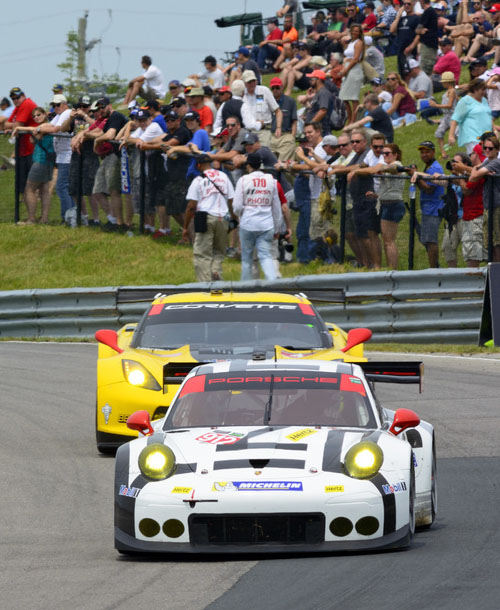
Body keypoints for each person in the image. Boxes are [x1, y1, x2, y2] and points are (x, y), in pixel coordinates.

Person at [184, 154, 236, 281]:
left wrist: (185, 226)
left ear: (198, 165)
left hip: (205, 218)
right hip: (223, 218)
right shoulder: (223, 177)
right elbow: (231, 200)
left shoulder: (198, 180)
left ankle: (205, 284)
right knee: (219, 251)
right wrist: (234, 217)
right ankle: (215, 271)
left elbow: (191, 206)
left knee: (202, 254)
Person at [233, 152, 282, 281]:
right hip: (266, 223)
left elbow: (237, 206)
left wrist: (241, 217)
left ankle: (246, 287)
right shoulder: (271, 180)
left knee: (247, 258)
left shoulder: (243, 180)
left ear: (248, 165)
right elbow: (276, 207)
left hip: (248, 223)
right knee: (266, 256)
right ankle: (272, 284)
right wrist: (277, 228)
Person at [92, 98, 131, 232]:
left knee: (115, 191)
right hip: (111, 156)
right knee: (99, 190)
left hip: (120, 156)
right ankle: (114, 220)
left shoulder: (116, 116)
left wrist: (97, 140)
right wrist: (84, 135)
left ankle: (120, 224)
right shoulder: (109, 119)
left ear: (110, 106)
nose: (100, 110)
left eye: (102, 107)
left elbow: (110, 135)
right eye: (98, 109)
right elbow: (103, 133)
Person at [346, 129, 382, 268]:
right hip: (358, 200)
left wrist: (354, 171)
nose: (354, 144)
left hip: (369, 199)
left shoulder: (368, 154)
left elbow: (372, 169)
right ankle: (366, 265)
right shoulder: (358, 157)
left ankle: (375, 265)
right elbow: (356, 166)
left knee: (369, 235)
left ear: (365, 142)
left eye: (357, 141)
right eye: (352, 142)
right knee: (360, 235)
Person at [12, 107, 54, 224]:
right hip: (46, 162)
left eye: (39, 115)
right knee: (44, 190)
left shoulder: (48, 126)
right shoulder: (42, 127)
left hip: (41, 161)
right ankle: (44, 218)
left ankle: (31, 219)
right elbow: (33, 137)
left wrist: (20, 127)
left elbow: (35, 131)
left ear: (45, 114)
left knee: (29, 189)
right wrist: (34, 133)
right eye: (34, 116)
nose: (36, 117)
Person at [410, 140, 444, 268]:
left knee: (431, 241)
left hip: (434, 209)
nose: (424, 155)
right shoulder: (428, 167)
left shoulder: (435, 168)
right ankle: (434, 267)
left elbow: (429, 189)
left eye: (427, 152)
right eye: (422, 152)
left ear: (433, 152)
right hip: (428, 208)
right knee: (427, 240)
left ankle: (433, 269)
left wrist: (416, 176)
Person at [42, 94, 75, 223]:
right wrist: (40, 128)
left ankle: (67, 216)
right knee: (64, 187)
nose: (55, 108)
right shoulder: (59, 115)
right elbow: (48, 126)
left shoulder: (66, 113)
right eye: (53, 105)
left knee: (62, 187)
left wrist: (40, 129)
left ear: (64, 104)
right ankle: (70, 215)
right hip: (61, 156)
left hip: (67, 155)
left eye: (57, 105)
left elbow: (54, 128)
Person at [451, 145, 486, 266]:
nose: (470, 155)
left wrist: (461, 175)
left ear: (476, 155)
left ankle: (476, 282)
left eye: (472, 153)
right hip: (470, 216)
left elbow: (466, 190)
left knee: (472, 255)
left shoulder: (478, 172)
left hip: (475, 216)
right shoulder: (474, 171)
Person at [470, 135, 500, 261]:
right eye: (485, 148)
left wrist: (476, 170)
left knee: (497, 241)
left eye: (490, 148)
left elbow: (473, 177)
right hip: (488, 205)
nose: (487, 150)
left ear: (497, 150)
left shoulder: (496, 162)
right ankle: (493, 268)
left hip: (497, 206)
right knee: (490, 241)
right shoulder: (487, 161)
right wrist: (475, 169)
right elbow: (475, 173)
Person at [3, 87, 38, 196]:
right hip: (24, 150)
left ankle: (35, 211)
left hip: (32, 149)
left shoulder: (26, 104)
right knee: (22, 187)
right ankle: (27, 210)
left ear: (23, 95)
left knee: (30, 186)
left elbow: (16, 125)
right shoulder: (19, 106)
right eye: (13, 98)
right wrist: (15, 126)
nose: (15, 100)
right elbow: (6, 125)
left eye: (17, 97)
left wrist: (15, 126)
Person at [448, 78, 493, 154]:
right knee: (477, 159)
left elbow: (488, 116)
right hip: (472, 136)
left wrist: (494, 129)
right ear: (475, 89)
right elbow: (455, 119)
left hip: (487, 136)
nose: (484, 92)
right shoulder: (465, 101)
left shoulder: (484, 100)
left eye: (485, 89)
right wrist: (451, 136)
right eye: (482, 90)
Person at [242, 70, 283, 148]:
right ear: (244, 83)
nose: (252, 83)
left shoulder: (264, 91)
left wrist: (278, 128)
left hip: (264, 131)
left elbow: (278, 111)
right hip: (248, 132)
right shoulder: (242, 95)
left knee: (265, 153)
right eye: (249, 81)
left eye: (253, 80)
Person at [339, 24, 365, 124]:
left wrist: (346, 69)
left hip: (354, 70)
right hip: (347, 68)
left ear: (360, 33)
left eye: (357, 31)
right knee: (344, 97)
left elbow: (355, 59)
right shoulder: (351, 42)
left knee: (353, 97)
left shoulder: (359, 43)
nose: (354, 32)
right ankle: (350, 119)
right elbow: (348, 54)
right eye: (353, 30)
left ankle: (354, 120)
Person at [427, 72, 458, 158]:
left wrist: (435, 105)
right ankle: (444, 153)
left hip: (452, 116)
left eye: (444, 82)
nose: (442, 84)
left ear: (448, 82)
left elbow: (449, 105)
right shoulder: (449, 91)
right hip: (446, 116)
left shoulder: (452, 91)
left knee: (456, 134)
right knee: (439, 133)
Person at [268, 77, 297, 162]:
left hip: (285, 135)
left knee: (284, 165)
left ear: (282, 87)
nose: (275, 90)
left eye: (277, 87)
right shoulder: (268, 101)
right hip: (271, 135)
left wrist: (292, 136)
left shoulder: (290, 101)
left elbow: (294, 121)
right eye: (273, 88)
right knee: (270, 164)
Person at [304, 69, 334, 136]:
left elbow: (323, 110)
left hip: (322, 132)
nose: (310, 81)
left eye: (312, 79)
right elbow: (314, 109)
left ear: (318, 80)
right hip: (317, 132)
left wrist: (311, 124)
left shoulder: (323, 93)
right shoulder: (318, 93)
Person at [417, 0, 439, 75]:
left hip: (428, 46)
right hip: (431, 45)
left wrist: (420, 30)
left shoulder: (428, 12)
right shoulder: (432, 11)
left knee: (425, 71)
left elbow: (417, 30)